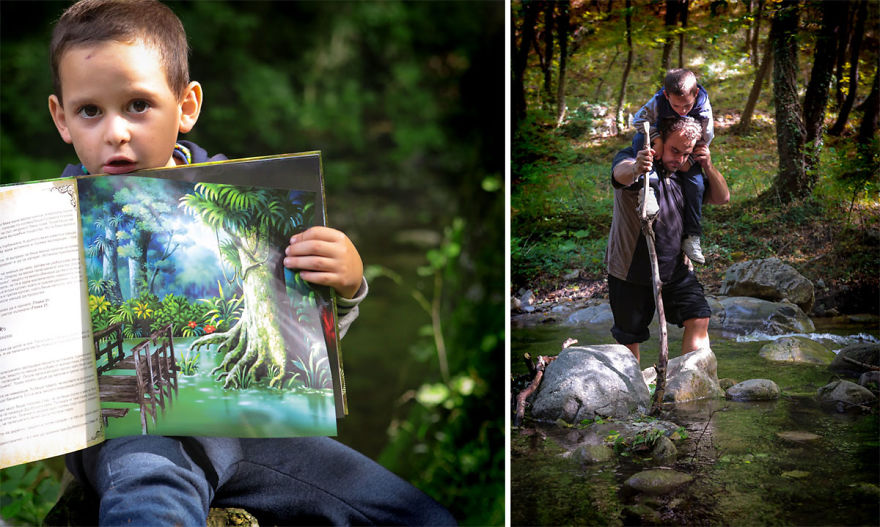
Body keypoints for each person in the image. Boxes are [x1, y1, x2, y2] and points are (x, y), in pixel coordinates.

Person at [46, 0, 455, 524]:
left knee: (415, 516)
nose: (116, 132)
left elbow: (289, 342)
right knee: (151, 500)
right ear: (62, 118)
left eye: (139, 105)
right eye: (90, 111)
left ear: (186, 105)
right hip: (137, 434)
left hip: (253, 426)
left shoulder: (246, 203)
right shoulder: (52, 219)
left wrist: (346, 284)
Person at [605, 115, 729, 363]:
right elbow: (620, 174)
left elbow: (722, 197)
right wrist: (637, 168)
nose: (679, 159)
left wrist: (708, 166)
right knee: (629, 338)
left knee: (699, 316)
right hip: (630, 270)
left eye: (686, 153)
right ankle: (635, 394)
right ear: (660, 140)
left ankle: (687, 384)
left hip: (676, 270)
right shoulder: (636, 156)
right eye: (674, 150)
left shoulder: (686, 171)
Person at [631, 68, 715, 264]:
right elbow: (639, 120)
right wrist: (656, 139)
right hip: (662, 140)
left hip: (688, 145)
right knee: (638, 139)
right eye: (676, 105)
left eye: (687, 105)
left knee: (697, 184)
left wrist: (691, 160)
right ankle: (648, 188)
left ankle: (692, 236)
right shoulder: (658, 100)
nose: (682, 110)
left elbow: (706, 139)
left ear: (695, 94)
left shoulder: (703, 108)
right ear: (667, 95)